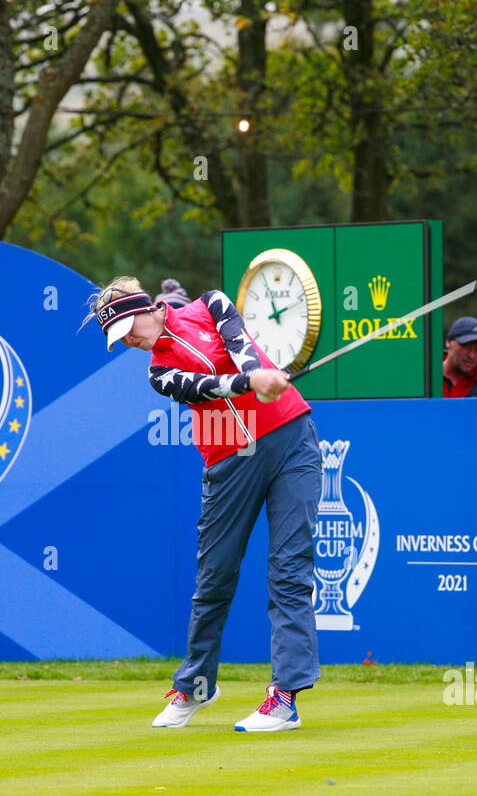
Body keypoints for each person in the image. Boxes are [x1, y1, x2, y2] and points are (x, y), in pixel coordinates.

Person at [88, 276, 320, 732]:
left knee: (289, 569)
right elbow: (205, 386)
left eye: (129, 328)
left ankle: (285, 698)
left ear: (144, 307)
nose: (131, 341)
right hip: (231, 458)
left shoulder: (210, 304)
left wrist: (257, 374)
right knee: (215, 575)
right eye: (122, 340)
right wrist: (251, 381)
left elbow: (241, 345)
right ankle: (196, 685)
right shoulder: (158, 373)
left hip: (292, 438)